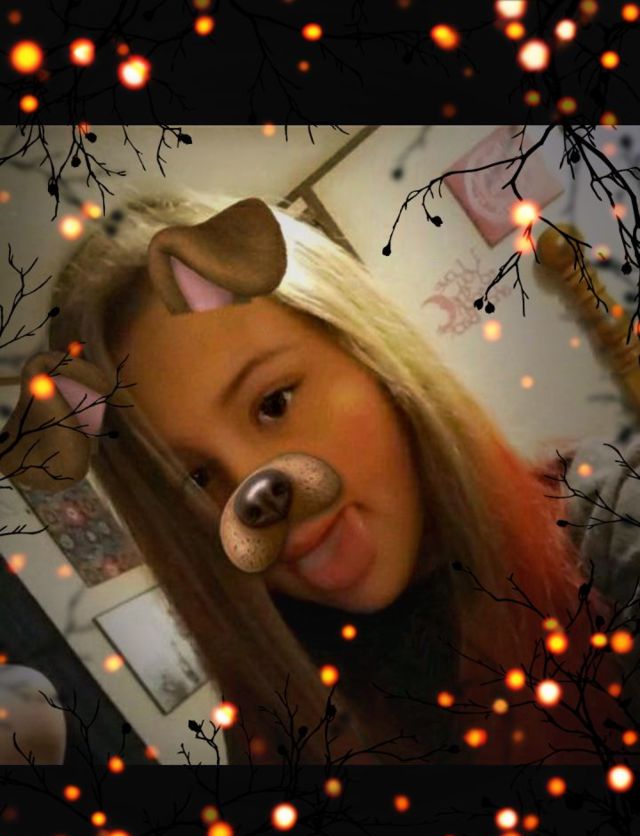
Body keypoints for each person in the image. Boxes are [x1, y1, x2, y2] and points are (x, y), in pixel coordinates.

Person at [4, 193, 635, 766]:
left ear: (368, 354)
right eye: (195, 477)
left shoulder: (607, 520)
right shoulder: (276, 737)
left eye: (274, 403)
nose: (254, 492)